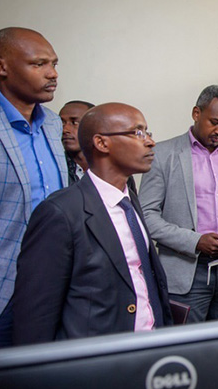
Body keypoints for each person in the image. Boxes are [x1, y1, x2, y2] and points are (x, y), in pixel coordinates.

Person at [12, 103, 173, 344]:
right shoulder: (61, 213)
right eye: (137, 132)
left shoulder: (129, 201)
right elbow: (36, 320)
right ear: (101, 143)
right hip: (96, 365)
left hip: (149, 353)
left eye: (147, 133)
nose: (150, 142)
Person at [0, 27, 67, 350]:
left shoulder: (54, 125)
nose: (52, 74)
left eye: (54, 64)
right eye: (39, 64)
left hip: (52, 290)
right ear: (0, 67)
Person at [140, 85, 218, 323]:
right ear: (196, 113)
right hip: (187, 272)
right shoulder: (162, 154)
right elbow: (147, 216)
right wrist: (195, 241)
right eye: (214, 122)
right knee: (186, 348)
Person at [59, 100, 95, 183]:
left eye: (74, 123)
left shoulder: (113, 169)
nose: (65, 130)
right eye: (62, 123)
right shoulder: (56, 168)